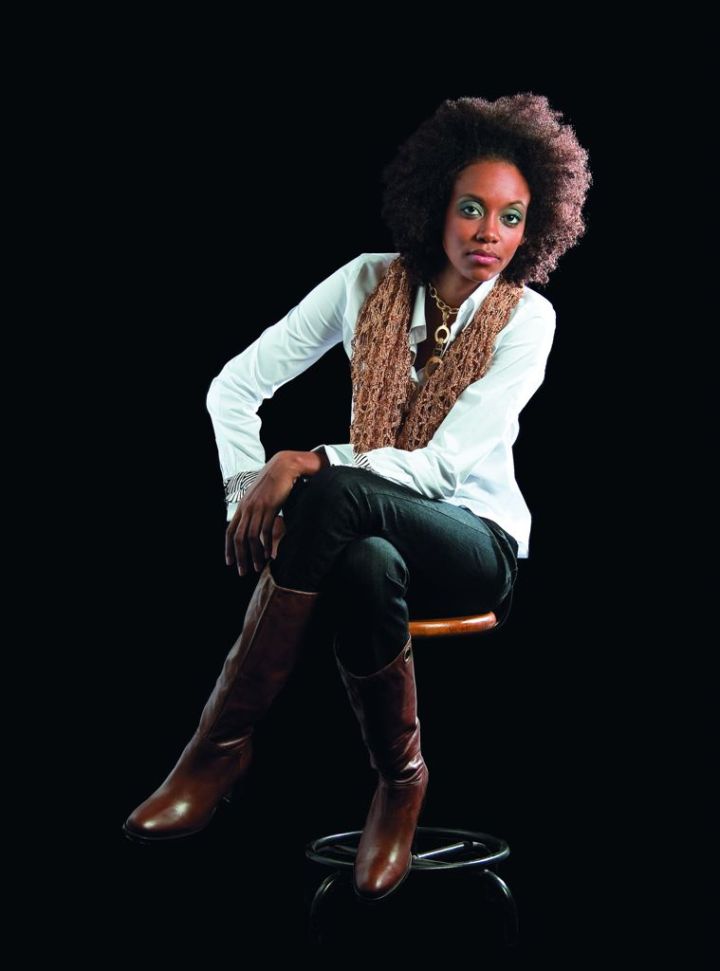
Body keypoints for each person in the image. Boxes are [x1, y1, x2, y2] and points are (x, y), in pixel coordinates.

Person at [122, 93, 592, 901]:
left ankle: (217, 747)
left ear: (534, 227)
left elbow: (442, 470)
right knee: (367, 555)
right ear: (435, 203)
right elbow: (233, 387)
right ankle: (400, 783)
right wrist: (246, 494)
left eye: (511, 218)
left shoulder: (528, 319)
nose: (489, 233)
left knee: (333, 488)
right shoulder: (366, 281)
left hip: (474, 547)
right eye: (472, 208)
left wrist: (304, 462)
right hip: (374, 550)